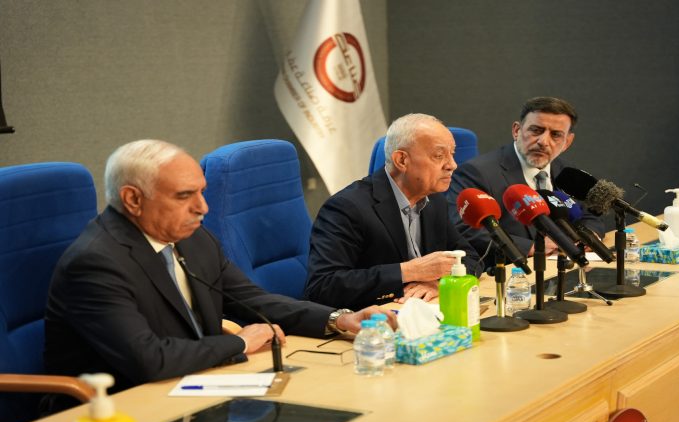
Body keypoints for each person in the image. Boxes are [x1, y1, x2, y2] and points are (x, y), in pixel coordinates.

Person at [44, 139, 394, 400]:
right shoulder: (95, 263)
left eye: (202, 192)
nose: (203, 208)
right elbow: (148, 360)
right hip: (120, 406)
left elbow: (254, 300)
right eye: (184, 196)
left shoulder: (192, 238)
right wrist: (240, 341)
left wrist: (339, 319)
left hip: (195, 385)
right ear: (133, 199)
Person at [304, 113, 480, 310]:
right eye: (439, 156)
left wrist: (439, 283)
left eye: (452, 154)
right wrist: (408, 271)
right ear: (401, 160)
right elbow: (322, 287)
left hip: (425, 312)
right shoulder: (347, 207)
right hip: (373, 320)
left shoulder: (434, 200)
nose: (452, 165)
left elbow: (470, 258)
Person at [447, 96, 605, 268]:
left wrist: (590, 235)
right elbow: (464, 228)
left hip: (563, 266)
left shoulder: (565, 171)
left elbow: (588, 213)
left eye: (556, 135)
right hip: (512, 270)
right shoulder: (477, 172)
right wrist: (531, 247)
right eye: (536, 130)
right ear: (516, 131)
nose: (543, 142)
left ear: (567, 142)